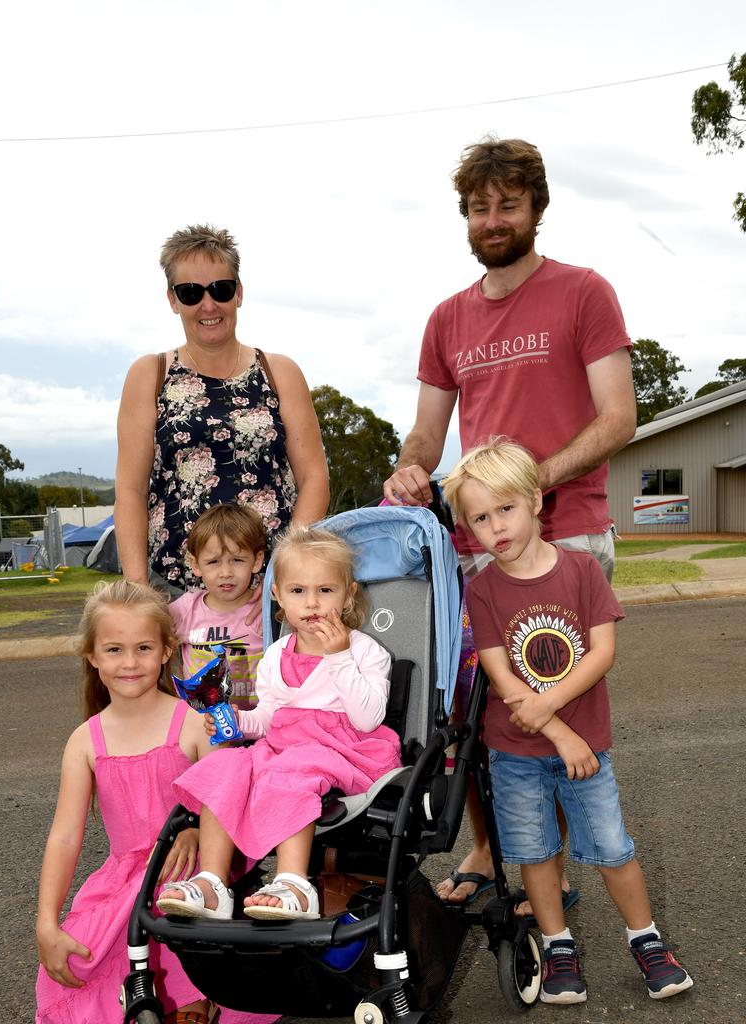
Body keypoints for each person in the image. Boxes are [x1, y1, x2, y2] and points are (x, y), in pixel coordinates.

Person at [383, 135, 637, 906]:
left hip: (571, 529)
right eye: (480, 207)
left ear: (536, 209)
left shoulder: (584, 292)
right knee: (488, 713)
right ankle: (502, 856)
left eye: (509, 204)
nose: (494, 219)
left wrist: (534, 481)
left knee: (562, 696)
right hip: (478, 544)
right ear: (465, 217)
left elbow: (618, 417)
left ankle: (573, 865)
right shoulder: (447, 318)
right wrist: (411, 466)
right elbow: (430, 430)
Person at [439, 439, 692, 1003]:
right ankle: (556, 944)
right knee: (532, 851)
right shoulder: (481, 591)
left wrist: (552, 710)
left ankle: (646, 940)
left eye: (505, 509)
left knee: (612, 846)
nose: (496, 527)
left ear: (535, 500)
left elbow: (601, 653)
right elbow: (502, 677)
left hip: (587, 751)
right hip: (516, 754)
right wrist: (556, 731)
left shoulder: (579, 570)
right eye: (480, 518)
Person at [157, 526, 402, 920]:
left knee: (290, 770)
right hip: (283, 745)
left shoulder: (364, 651)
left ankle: (293, 883)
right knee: (223, 766)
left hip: (344, 750)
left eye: (326, 591)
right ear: (278, 596)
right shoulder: (274, 655)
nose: (312, 604)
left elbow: (368, 717)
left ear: (348, 593)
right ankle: (213, 882)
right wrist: (240, 721)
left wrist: (339, 657)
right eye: (298, 591)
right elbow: (270, 717)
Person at [115, 223, 330, 594]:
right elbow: (130, 490)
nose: (208, 304)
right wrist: (137, 591)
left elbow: (314, 478)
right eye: (190, 292)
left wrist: (286, 571)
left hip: (269, 591)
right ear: (172, 300)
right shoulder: (150, 375)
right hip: (176, 589)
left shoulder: (280, 373)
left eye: (221, 289)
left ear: (239, 293)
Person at [35, 581, 210, 1024]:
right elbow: (65, 836)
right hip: (122, 878)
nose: (129, 662)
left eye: (144, 647)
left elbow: (227, 804)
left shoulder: (193, 723)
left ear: (167, 649)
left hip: (187, 870)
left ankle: (192, 1003)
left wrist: (194, 830)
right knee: (70, 957)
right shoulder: (85, 741)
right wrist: (46, 924)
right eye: (114, 650)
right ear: (92, 656)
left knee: (169, 919)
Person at [170, 503, 266, 709]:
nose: (225, 572)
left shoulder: (265, 611)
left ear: (257, 561)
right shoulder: (184, 610)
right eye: (213, 562)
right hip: (199, 724)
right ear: (195, 565)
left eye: (237, 560)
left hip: (257, 723)